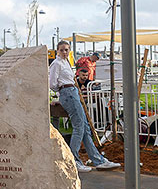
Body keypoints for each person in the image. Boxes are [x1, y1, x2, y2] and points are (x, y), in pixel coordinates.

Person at [49, 41, 120, 173]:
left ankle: (98, 160)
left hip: (73, 92)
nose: (65, 52)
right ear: (57, 51)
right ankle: (74, 160)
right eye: (62, 50)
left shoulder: (66, 63)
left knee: (85, 127)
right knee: (79, 126)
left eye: (67, 50)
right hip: (68, 92)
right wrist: (62, 95)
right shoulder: (56, 64)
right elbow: (52, 84)